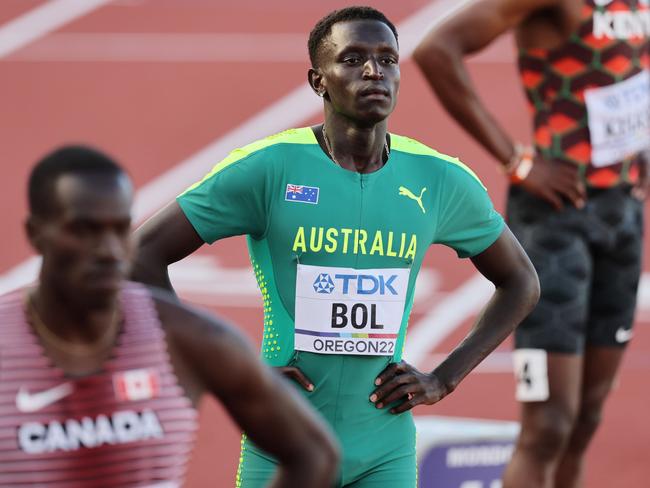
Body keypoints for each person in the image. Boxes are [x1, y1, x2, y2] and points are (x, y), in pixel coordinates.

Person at [133, 6, 540, 487]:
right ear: (318, 81)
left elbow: (521, 282)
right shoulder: (269, 168)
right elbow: (141, 255)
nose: (374, 71)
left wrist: (443, 378)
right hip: (285, 440)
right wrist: (222, 368)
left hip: (384, 447)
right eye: (352, 59)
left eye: (388, 59)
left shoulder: (440, 179)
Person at [0, 145, 339, 488]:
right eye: (83, 230)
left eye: (119, 229)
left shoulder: (183, 338)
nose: (108, 250)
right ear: (35, 233)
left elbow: (314, 453)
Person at [413, 1, 649, 487]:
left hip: (623, 215)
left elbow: (626, 72)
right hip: (556, 222)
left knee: (584, 421)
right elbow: (435, 49)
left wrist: (638, 146)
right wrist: (515, 160)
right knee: (548, 426)